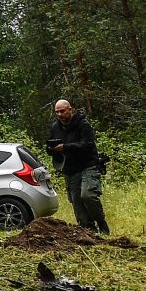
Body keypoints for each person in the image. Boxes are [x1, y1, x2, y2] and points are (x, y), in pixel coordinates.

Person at [47, 98, 110, 235]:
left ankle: (101, 224)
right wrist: (53, 149)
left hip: (88, 165)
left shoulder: (83, 124)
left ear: (70, 109)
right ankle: (88, 232)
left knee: (88, 195)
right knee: (76, 203)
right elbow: (50, 147)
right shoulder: (55, 127)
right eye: (57, 112)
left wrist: (66, 147)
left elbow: (87, 145)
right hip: (69, 169)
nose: (59, 114)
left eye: (62, 111)